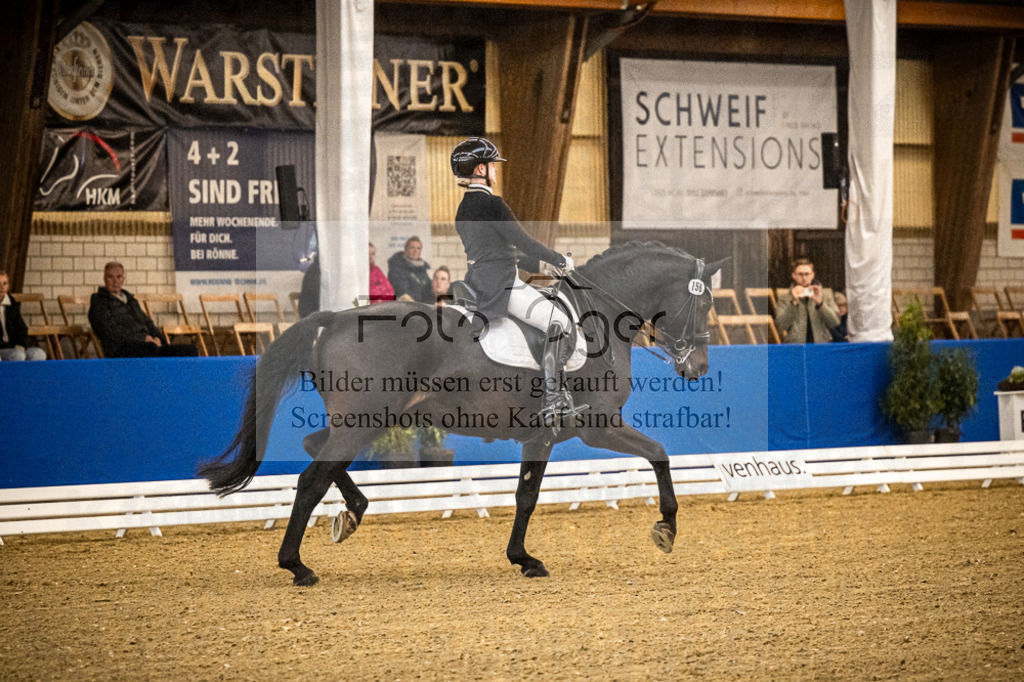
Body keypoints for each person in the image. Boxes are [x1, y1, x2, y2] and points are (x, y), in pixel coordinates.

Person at [450, 136, 579, 420]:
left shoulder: (463, 209)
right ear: (481, 170)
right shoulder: (493, 205)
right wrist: (560, 259)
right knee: (559, 322)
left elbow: (495, 251)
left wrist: (541, 267)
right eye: (493, 166)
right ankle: (554, 398)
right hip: (503, 285)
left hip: (476, 279)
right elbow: (523, 241)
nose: (496, 171)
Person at [88, 262, 198, 358]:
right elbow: (111, 332)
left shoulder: (131, 300)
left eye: (119, 277)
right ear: (104, 279)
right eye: (111, 277)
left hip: (147, 345)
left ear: (123, 279)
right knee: (151, 349)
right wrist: (143, 338)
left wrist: (159, 340)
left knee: (189, 351)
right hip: (120, 349)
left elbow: (148, 323)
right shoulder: (99, 302)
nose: (115, 281)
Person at [774, 258, 841, 344]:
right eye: (800, 274)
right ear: (794, 276)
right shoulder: (785, 298)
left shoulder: (825, 295)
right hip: (796, 346)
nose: (804, 277)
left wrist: (820, 304)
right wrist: (794, 302)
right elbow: (781, 325)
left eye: (807, 274)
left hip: (821, 345)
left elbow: (835, 322)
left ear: (812, 275)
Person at [0, 270, 46, 361]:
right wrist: (13, 348)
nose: (2, 287)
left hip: (14, 347)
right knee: (18, 355)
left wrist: (21, 345)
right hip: (3, 347)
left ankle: (31, 375)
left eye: (5, 283)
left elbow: (21, 328)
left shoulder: (11, 303)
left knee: (39, 354)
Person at [387, 237, 433, 304]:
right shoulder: (397, 268)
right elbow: (403, 293)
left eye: (418, 248)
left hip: (424, 305)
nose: (416, 251)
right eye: (412, 248)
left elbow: (429, 288)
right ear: (405, 250)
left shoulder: (422, 269)